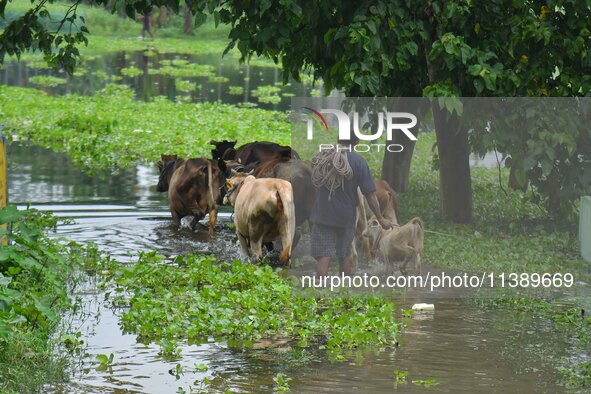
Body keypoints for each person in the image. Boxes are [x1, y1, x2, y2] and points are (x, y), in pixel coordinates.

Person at [310, 134, 393, 277]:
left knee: (325, 256)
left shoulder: (321, 159)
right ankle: (346, 292)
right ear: (357, 141)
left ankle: (319, 294)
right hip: (346, 216)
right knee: (344, 256)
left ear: (338, 139)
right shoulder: (359, 162)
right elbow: (370, 195)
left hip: (323, 214)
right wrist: (380, 219)